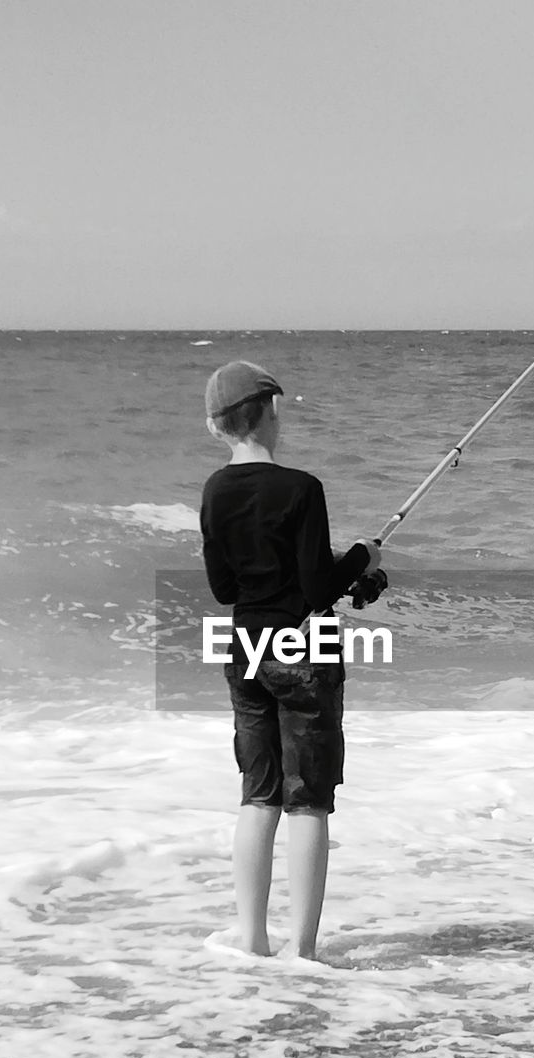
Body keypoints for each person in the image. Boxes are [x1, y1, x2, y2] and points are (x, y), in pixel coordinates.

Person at [200, 360, 382, 960]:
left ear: (217, 425)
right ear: (270, 412)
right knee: (309, 801)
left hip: (246, 647)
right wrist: (361, 560)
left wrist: (344, 573)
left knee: (259, 795)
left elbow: (225, 587)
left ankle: (251, 939)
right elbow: (313, 587)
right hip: (303, 650)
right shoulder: (301, 489)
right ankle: (302, 952)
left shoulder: (214, 491)